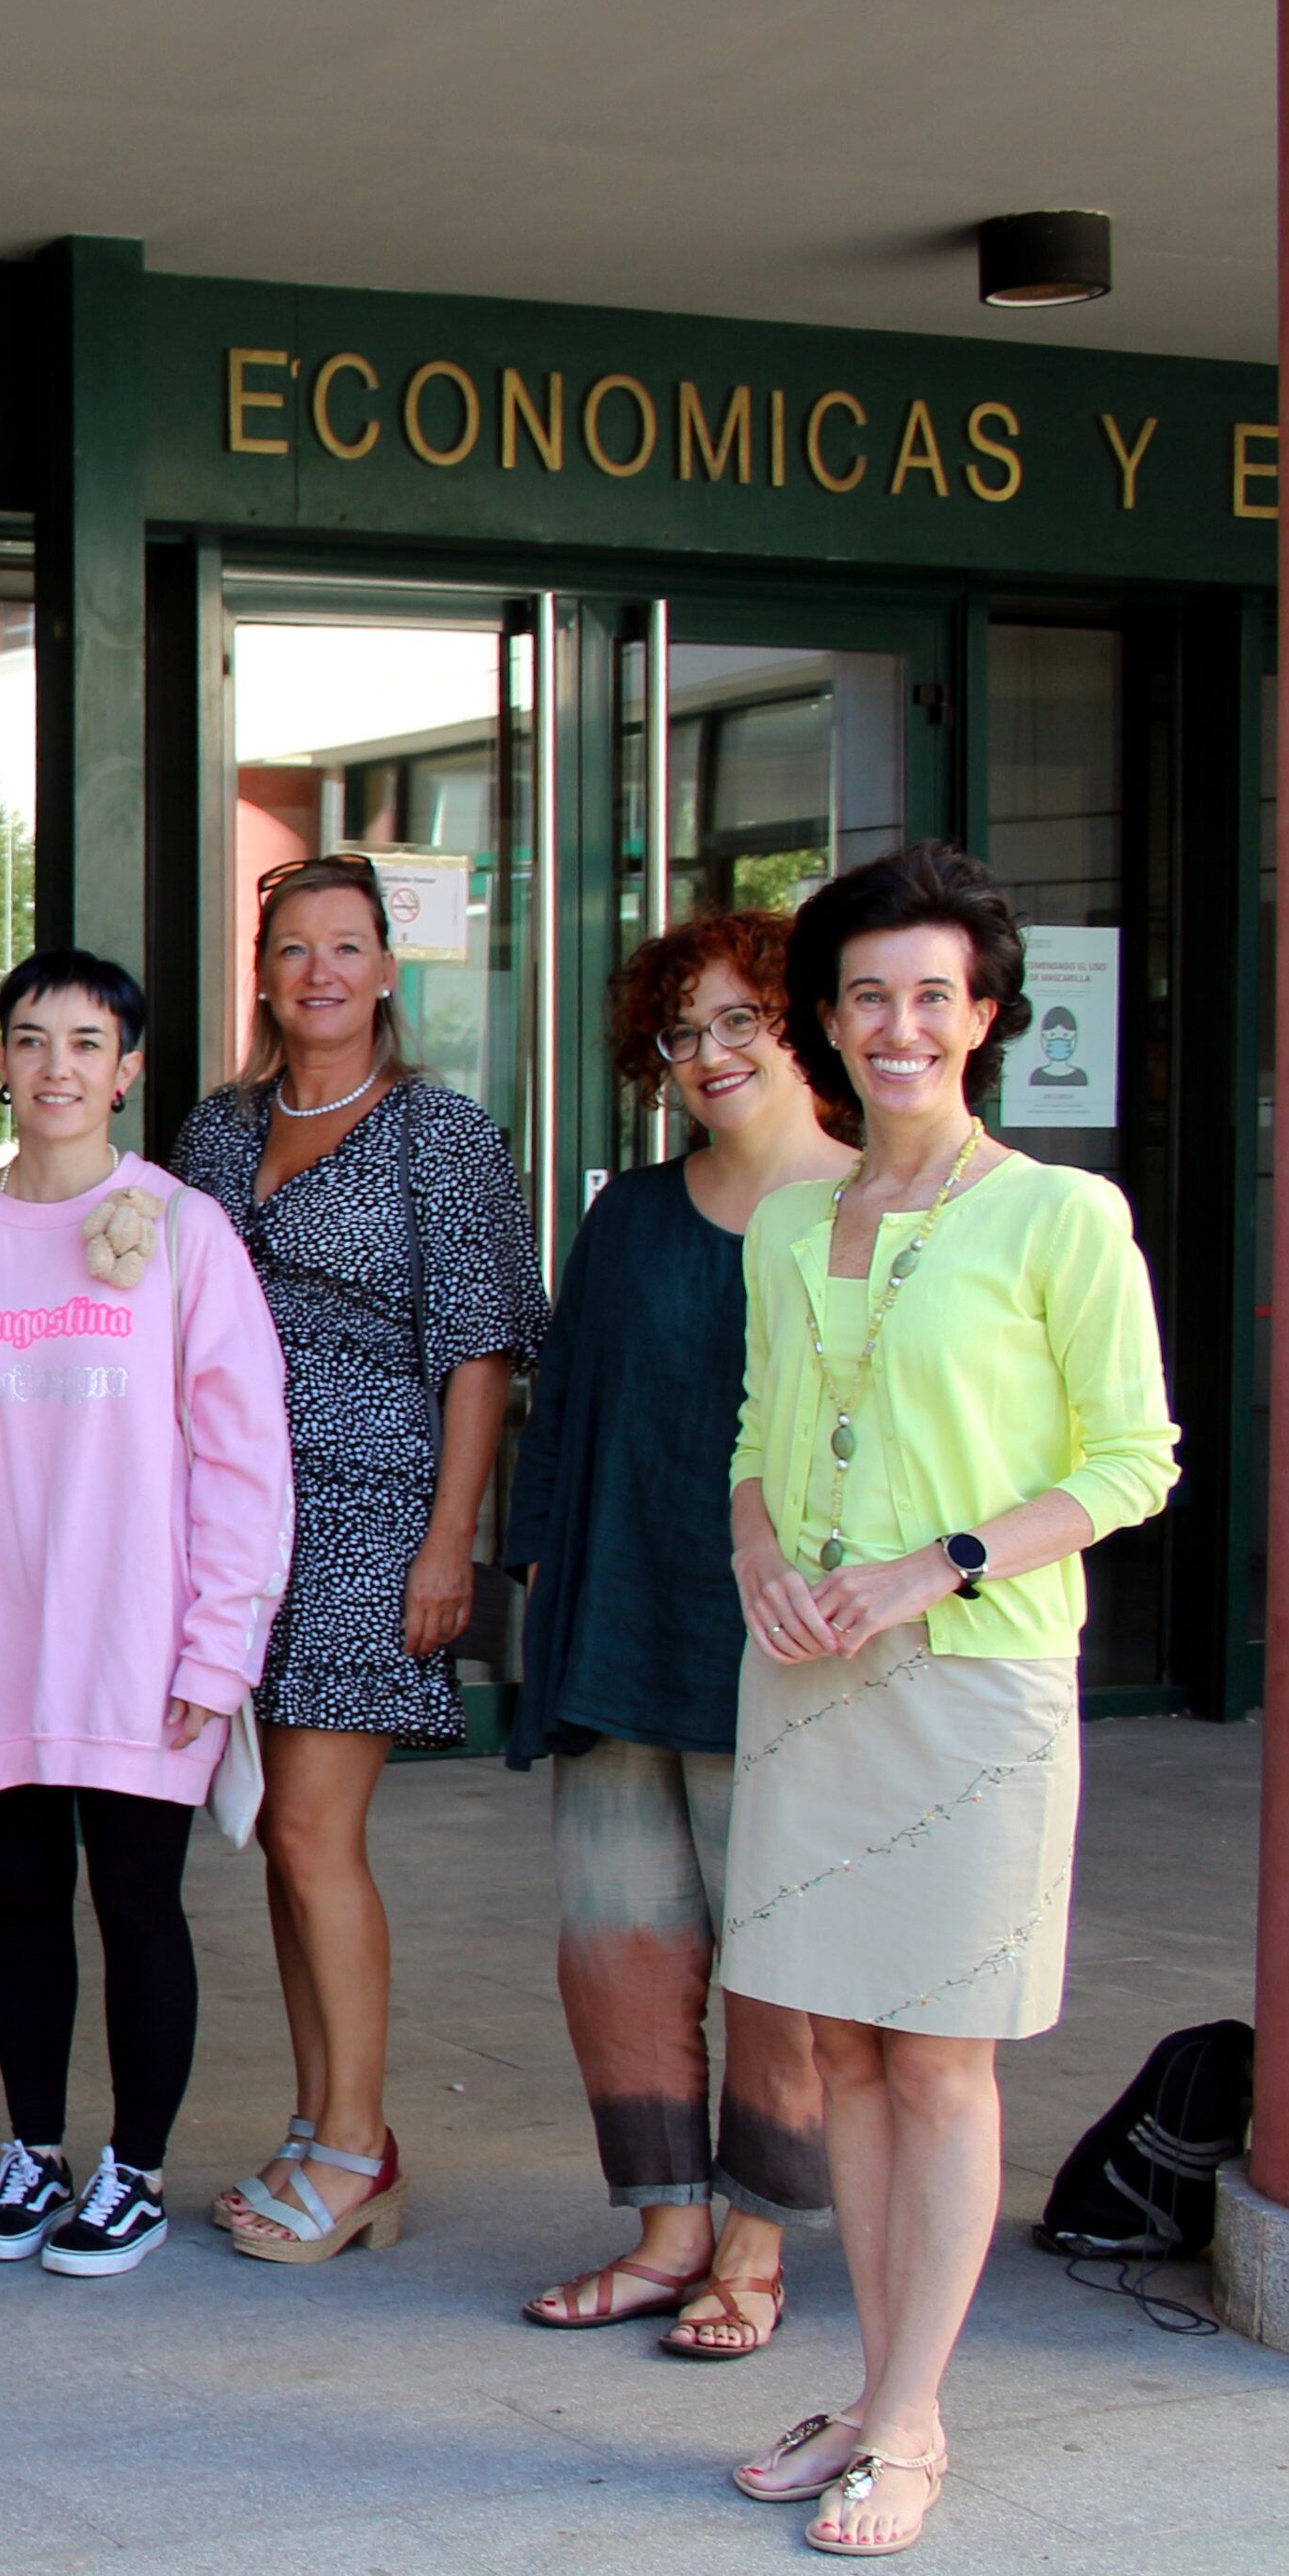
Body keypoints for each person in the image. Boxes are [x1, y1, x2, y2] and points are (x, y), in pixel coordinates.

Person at [719, 845, 1175, 2558]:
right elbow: (757, 1447)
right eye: (866, 996)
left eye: (933, 995)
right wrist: (760, 1552)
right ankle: (871, 2384)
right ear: (824, 1023)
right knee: (835, 2044)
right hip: (808, 1675)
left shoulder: (1062, 1215)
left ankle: (908, 2420)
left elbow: (1134, 1461)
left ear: (983, 1017)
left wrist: (939, 1562)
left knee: (942, 2061)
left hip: (975, 1678)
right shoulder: (785, 1221)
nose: (897, 1026)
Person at [0, 950, 289, 2277]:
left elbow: (245, 1462)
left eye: (86, 1044)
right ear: (2, 1058)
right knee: (20, 1901)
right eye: (32, 1040)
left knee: (138, 1903)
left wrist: (220, 1647)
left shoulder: (184, 1231)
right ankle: (35, 2151)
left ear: (129, 1067)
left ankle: (134, 2169)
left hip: (139, 1644)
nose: (56, 1068)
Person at [168, 852, 545, 2263]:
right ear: (263, 975)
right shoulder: (214, 1133)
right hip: (231, 1522)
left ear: (388, 970)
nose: (318, 972)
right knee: (274, 1830)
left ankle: (358, 2144)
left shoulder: (441, 1134)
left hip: (373, 1513)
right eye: (291, 950)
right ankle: (321, 2115)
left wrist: (452, 1541)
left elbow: (481, 1353)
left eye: (346, 948)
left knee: (319, 1829)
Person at [507, 916, 844, 2355]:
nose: (707, 1056)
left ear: (798, 1027)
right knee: (617, 1947)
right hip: (622, 1622)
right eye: (680, 1032)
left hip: (792, 1647)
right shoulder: (632, 1217)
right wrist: (536, 1585)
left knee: (783, 1964)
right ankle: (666, 2227)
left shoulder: (875, 1209)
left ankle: (755, 2249)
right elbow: (567, 1408)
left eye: (737, 1023)